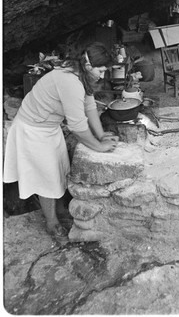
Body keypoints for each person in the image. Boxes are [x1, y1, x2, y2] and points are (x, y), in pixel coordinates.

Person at [3, 42, 118, 242]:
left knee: (58, 170)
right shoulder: (70, 82)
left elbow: (89, 106)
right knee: (45, 178)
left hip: (49, 127)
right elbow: (77, 126)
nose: (103, 75)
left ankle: (60, 208)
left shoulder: (81, 74)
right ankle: (52, 223)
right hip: (33, 130)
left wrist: (100, 136)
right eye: (101, 70)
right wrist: (99, 147)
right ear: (90, 66)